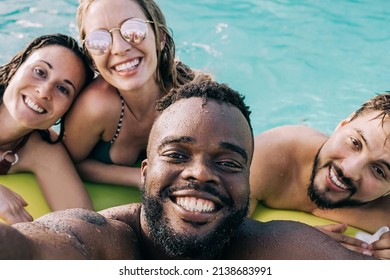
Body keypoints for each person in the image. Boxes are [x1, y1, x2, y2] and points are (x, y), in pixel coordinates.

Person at [0, 79, 374, 260]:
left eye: (228, 163)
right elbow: (33, 248)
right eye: (177, 155)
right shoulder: (107, 238)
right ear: (144, 172)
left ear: (247, 182)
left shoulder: (273, 246)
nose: (201, 173)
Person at [63, 0, 209, 188]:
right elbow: (67, 162)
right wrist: (138, 177)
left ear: (160, 37)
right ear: (91, 58)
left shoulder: (192, 101)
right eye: (99, 40)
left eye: (134, 29)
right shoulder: (96, 106)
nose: (119, 48)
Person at [249, 92, 390, 259]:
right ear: (342, 125)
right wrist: (287, 243)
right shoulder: (273, 155)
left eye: (379, 170)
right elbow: (215, 239)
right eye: (355, 142)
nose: (349, 170)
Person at [0, 33, 94, 224]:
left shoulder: (41, 149)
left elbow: (82, 227)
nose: (44, 92)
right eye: (40, 72)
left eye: (63, 89)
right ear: (15, 69)